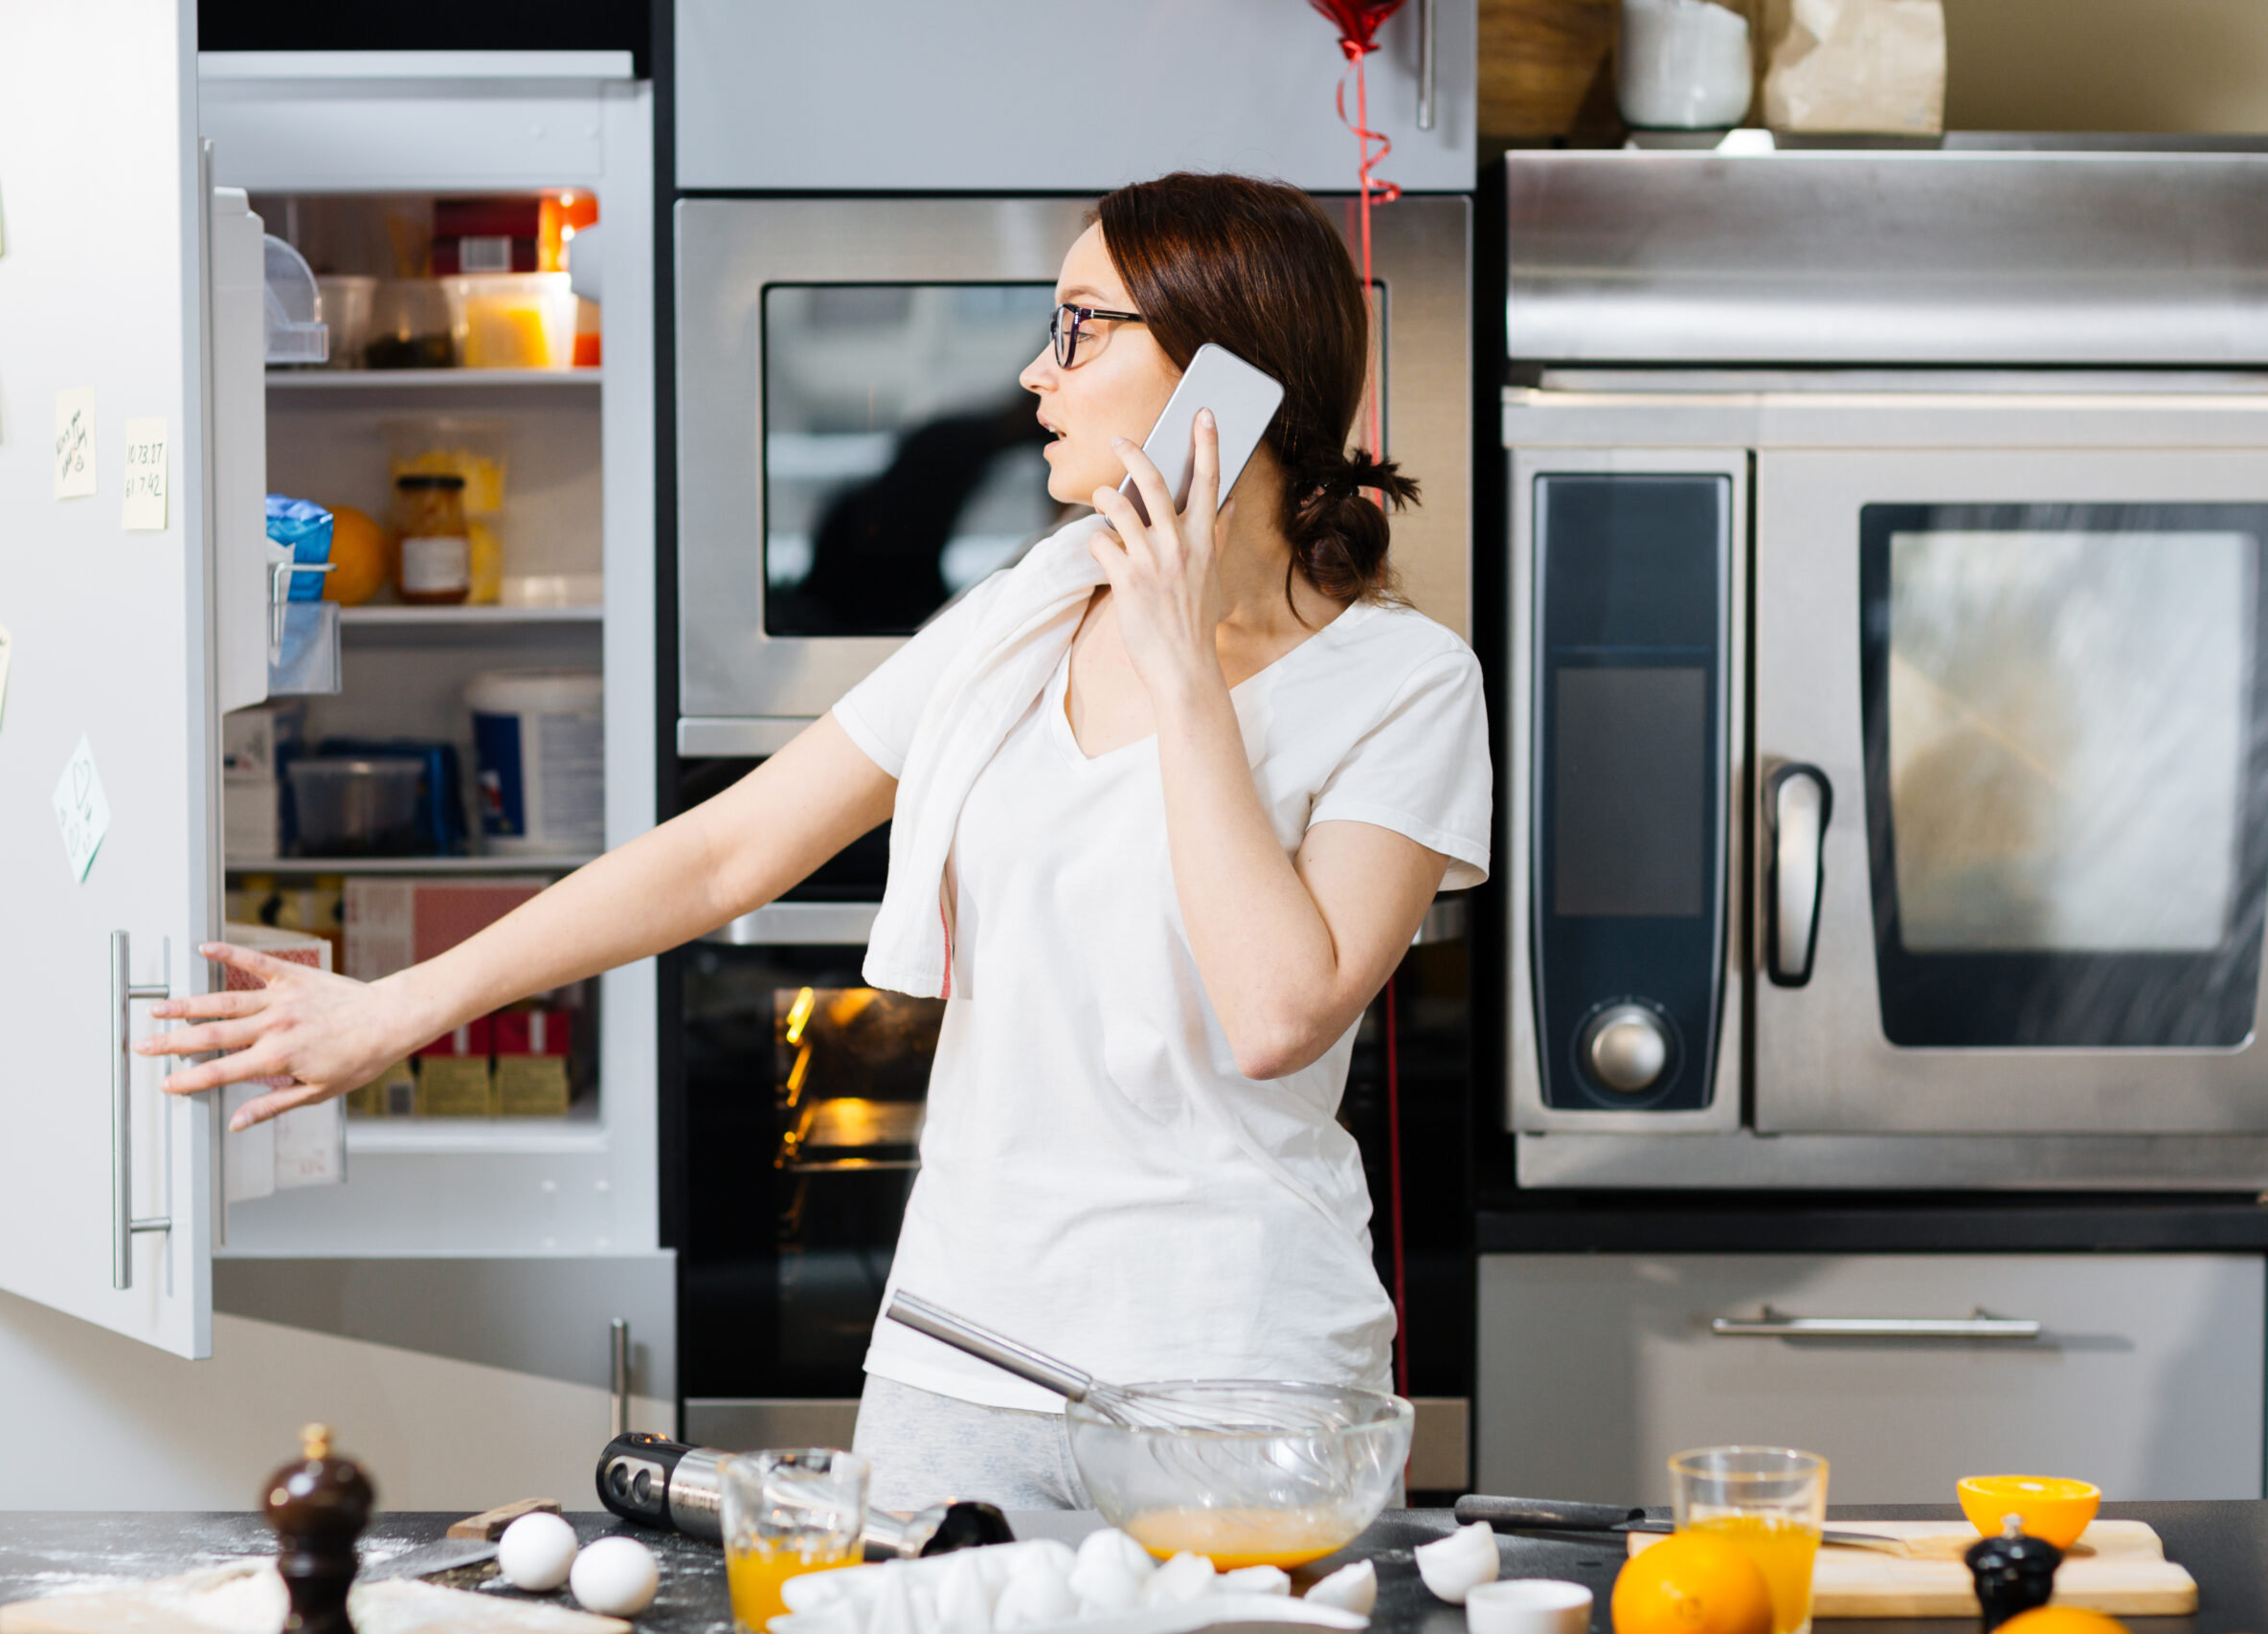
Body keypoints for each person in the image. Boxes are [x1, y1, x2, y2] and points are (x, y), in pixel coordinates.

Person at [141, 171, 1492, 1511]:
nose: (1038, 370)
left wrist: (1184, 668)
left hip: (1233, 1378)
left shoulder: (1402, 685)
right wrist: (398, 1008)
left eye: (1082, 327)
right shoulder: (1032, 607)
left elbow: (1278, 1012)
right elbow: (727, 853)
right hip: (965, 1355)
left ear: (1226, 378)